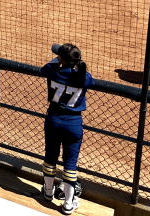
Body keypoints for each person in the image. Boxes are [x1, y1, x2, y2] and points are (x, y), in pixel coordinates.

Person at [41, 43, 95, 215]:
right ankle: (68, 205)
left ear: (61, 59)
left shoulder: (53, 70)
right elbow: (91, 81)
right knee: (70, 164)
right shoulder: (84, 76)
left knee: (50, 157)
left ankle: (48, 193)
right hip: (73, 124)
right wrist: (73, 64)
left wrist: (58, 61)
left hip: (54, 120)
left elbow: (45, 68)